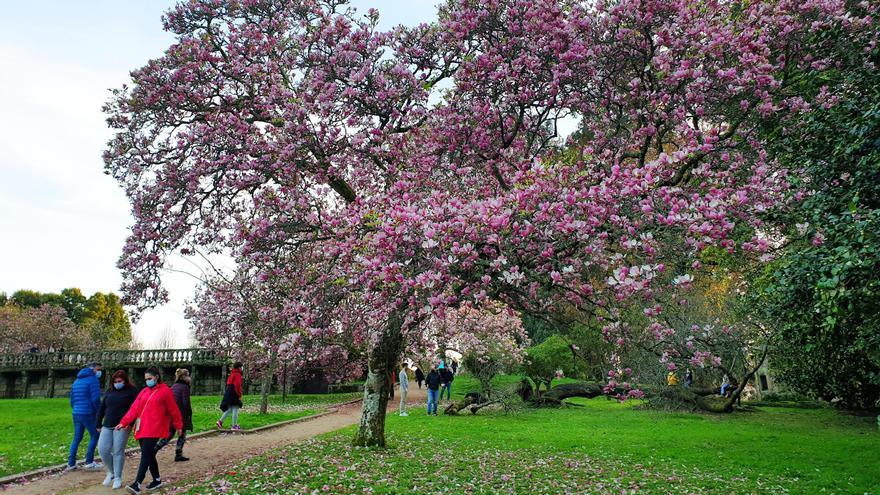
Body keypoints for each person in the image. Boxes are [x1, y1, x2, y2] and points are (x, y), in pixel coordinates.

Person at [117, 366, 183, 495]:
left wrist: (178, 425)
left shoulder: (165, 391)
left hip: (155, 428)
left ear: (156, 377)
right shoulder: (144, 392)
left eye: (150, 378)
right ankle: (157, 479)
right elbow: (134, 408)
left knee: (146, 455)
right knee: (149, 454)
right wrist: (123, 422)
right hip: (142, 427)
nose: (147, 381)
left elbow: (173, 410)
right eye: (146, 379)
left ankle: (137, 483)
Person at [97, 370, 138, 489]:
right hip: (108, 424)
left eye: (119, 381)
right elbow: (102, 407)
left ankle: (118, 477)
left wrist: (130, 423)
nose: (117, 383)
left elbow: (135, 409)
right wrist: (98, 423)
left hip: (123, 425)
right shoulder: (110, 391)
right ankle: (111, 472)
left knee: (118, 451)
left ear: (125, 381)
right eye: (115, 382)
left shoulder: (132, 392)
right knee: (102, 449)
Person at [66, 362, 103, 472]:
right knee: (95, 435)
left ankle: (71, 463)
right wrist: (99, 413)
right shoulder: (93, 380)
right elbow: (95, 399)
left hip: (76, 412)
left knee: (77, 437)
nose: (99, 372)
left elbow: (72, 399)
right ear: (93, 369)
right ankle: (89, 461)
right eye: (98, 369)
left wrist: (75, 408)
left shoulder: (77, 380)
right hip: (88, 412)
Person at [170, 368, 193, 461]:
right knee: (182, 434)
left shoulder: (174, 386)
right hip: (181, 414)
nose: (189, 377)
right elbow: (186, 402)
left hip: (172, 413)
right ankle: (178, 453)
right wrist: (189, 412)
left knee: (169, 434)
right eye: (188, 375)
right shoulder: (185, 387)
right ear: (183, 377)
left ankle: (154, 449)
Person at [218, 362, 243, 430]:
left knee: (229, 409)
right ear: (239, 368)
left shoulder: (231, 374)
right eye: (241, 367)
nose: (242, 369)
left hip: (229, 392)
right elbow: (237, 386)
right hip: (234, 393)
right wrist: (239, 394)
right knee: (235, 408)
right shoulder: (237, 374)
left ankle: (220, 421)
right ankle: (234, 425)